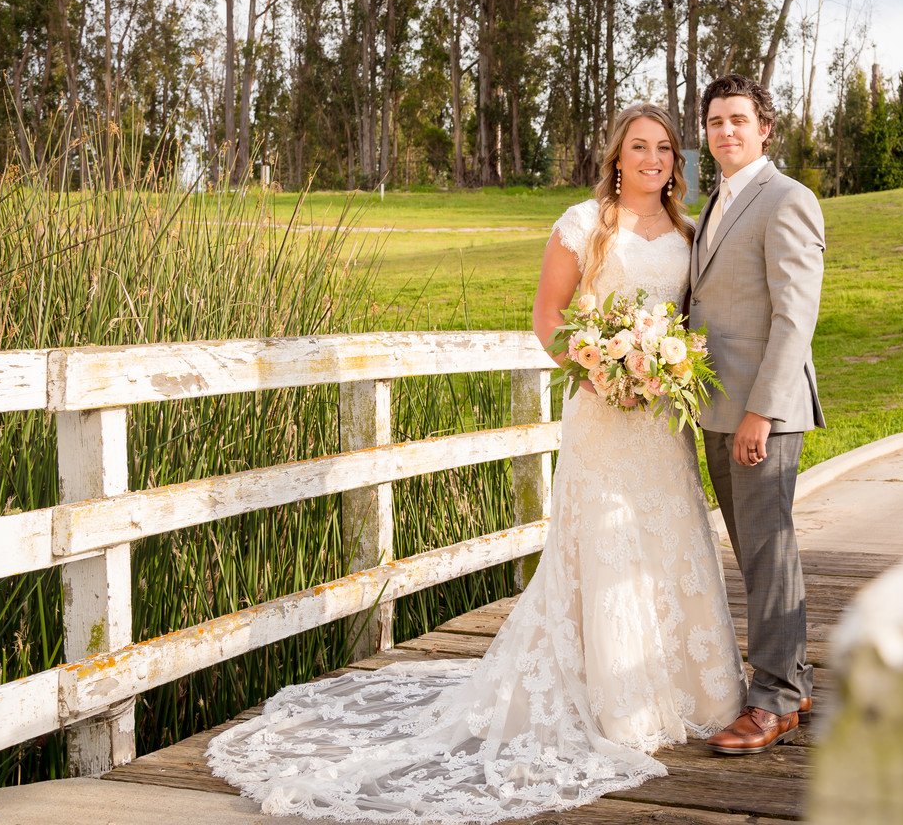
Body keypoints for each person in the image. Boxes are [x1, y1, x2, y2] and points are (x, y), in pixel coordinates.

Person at [205, 104, 744, 822]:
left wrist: (666, 367)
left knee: (670, 535)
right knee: (606, 542)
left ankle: (681, 688)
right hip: (602, 414)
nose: (654, 158)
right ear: (617, 157)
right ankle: (616, 704)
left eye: (666, 148)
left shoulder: (689, 232)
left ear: (677, 161)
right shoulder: (584, 225)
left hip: (659, 421)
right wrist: (593, 366)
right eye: (639, 147)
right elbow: (548, 316)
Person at [690, 73, 825, 755]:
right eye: (716, 121)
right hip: (716, 407)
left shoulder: (786, 200)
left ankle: (771, 701)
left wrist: (761, 414)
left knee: (770, 553)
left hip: (759, 414)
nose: (726, 132)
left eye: (739, 120)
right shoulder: (716, 201)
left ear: (765, 128)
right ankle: (794, 683)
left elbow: (795, 315)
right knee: (755, 554)